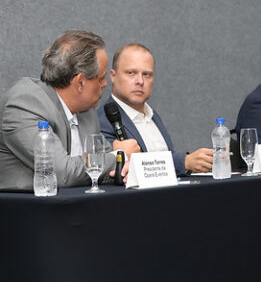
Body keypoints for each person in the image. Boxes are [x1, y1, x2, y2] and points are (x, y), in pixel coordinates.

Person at [0, 30, 132, 190]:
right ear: (80, 82)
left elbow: (106, 169)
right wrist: (119, 156)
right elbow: (63, 174)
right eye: (101, 78)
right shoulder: (25, 104)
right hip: (24, 203)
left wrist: (123, 167)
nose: (105, 84)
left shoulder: (87, 111)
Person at [98, 43, 213, 175]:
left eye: (146, 74)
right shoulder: (102, 120)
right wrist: (185, 162)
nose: (140, 81)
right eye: (131, 73)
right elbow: (126, 169)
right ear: (113, 76)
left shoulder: (152, 115)